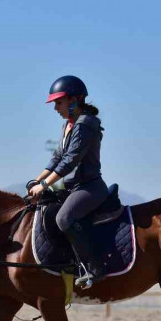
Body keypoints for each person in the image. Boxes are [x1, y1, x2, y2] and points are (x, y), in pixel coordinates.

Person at [28, 75, 108, 289]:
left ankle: (94, 269)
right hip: (73, 188)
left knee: (64, 218)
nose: (55, 108)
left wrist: (44, 185)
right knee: (49, 212)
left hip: (90, 188)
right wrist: (36, 180)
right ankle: (67, 263)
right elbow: (56, 158)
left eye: (58, 102)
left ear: (74, 100)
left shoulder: (84, 125)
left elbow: (70, 160)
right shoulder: (68, 125)